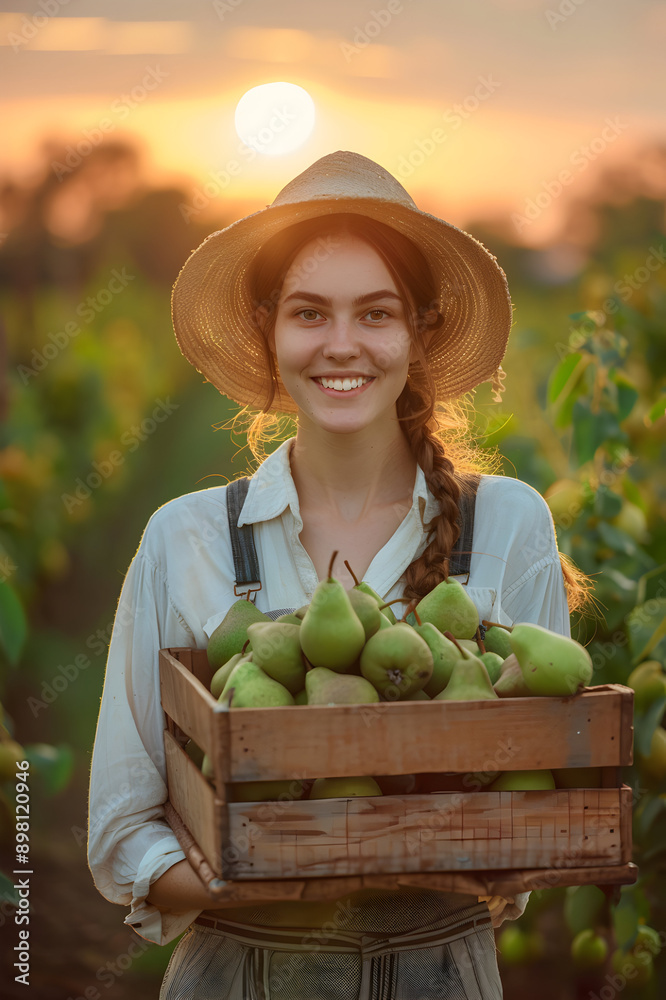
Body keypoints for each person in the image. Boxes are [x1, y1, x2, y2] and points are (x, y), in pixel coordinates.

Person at [88, 150, 590, 999]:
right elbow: (121, 829)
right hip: (240, 971)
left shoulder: (508, 524)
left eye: (376, 313)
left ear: (419, 332)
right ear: (267, 329)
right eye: (310, 313)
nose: (342, 344)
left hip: (442, 974)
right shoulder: (187, 539)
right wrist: (266, 873)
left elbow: (530, 825)